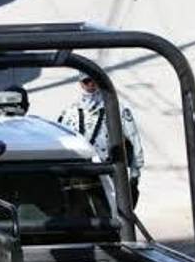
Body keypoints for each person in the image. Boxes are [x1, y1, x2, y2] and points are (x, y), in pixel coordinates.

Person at [57, 76, 145, 204]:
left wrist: (134, 176)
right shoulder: (69, 113)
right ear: (81, 83)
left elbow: (133, 139)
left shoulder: (116, 109)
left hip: (107, 173)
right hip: (78, 177)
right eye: (86, 81)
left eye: (94, 80)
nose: (91, 85)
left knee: (113, 216)